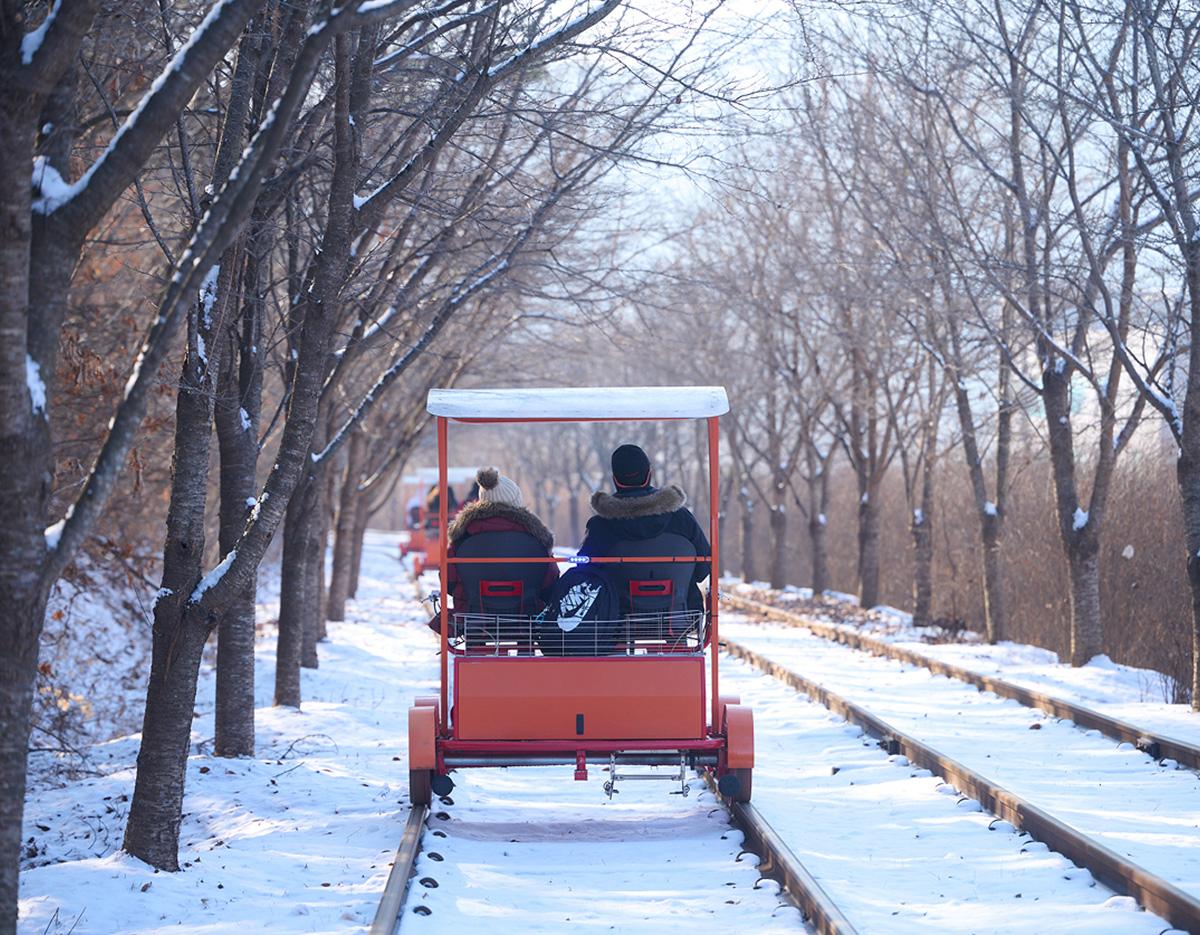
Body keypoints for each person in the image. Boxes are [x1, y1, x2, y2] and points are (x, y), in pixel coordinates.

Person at [578, 444, 711, 613]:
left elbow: (586, 575)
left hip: (616, 621)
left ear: (615, 479)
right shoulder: (682, 519)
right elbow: (703, 569)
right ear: (649, 474)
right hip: (680, 616)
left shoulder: (600, 525)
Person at [428, 467, 558, 634]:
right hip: (527, 618)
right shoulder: (537, 539)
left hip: (472, 618)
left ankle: (476, 647)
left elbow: (448, 581)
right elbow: (550, 581)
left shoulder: (462, 539)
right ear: (516, 501)